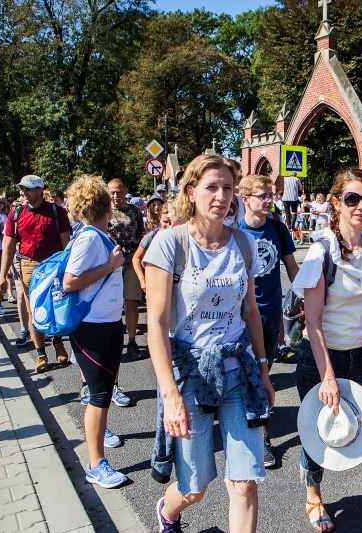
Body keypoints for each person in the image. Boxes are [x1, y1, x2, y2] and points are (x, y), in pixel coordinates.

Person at [144, 154, 274, 533]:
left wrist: (263, 371)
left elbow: (251, 312)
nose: (221, 195)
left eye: (228, 187)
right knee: (195, 487)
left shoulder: (244, 245)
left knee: (246, 483)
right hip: (190, 374)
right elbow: (157, 323)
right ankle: (168, 511)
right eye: (211, 187)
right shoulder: (170, 244)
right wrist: (170, 397)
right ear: (191, 191)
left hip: (238, 370)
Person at [291, 167, 362, 533]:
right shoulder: (321, 252)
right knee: (319, 434)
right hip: (321, 358)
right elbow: (314, 322)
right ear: (336, 202)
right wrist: (328, 376)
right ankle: (313, 495)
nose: (361, 207)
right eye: (352, 199)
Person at [60, 174, 128, 487]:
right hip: (91, 327)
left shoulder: (98, 236)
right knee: (100, 394)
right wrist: (110, 266)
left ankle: (99, 435)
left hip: (109, 323)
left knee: (102, 393)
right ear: (104, 206)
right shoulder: (88, 238)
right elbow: (70, 282)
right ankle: (95, 463)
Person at [238, 174, 300, 469]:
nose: (268, 200)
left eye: (270, 195)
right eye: (262, 195)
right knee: (250, 375)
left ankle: (251, 422)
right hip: (240, 316)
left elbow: (292, 268)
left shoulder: (278, 228)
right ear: (245, 198)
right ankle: (260, 435)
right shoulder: (234, 232)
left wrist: (308, 299)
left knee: (264, 373)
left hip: (272, 313)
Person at [0, 175, 71, 373]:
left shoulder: (57, 212)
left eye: (28, 189)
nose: (24, 192)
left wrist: (68, 270)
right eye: (22, 188)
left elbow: (66, 245)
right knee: (34, 310)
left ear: (40, 190)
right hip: (29, 265)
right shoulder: (16, 213)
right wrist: (2, 276)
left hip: (54, 265)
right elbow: (8, 247)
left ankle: (58, 342)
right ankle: (41, 354)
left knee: (57, 306)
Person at [106, 178, 145, 359]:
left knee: (131, 301)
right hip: (110, 264)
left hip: (130, 262)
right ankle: (111, 341)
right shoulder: (104, 211)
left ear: (125, 191)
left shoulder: (134, 211)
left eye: (119, 192)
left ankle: (131, 341)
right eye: (112, 192)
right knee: (111, 304)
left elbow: (140, 234)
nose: (116, 196)